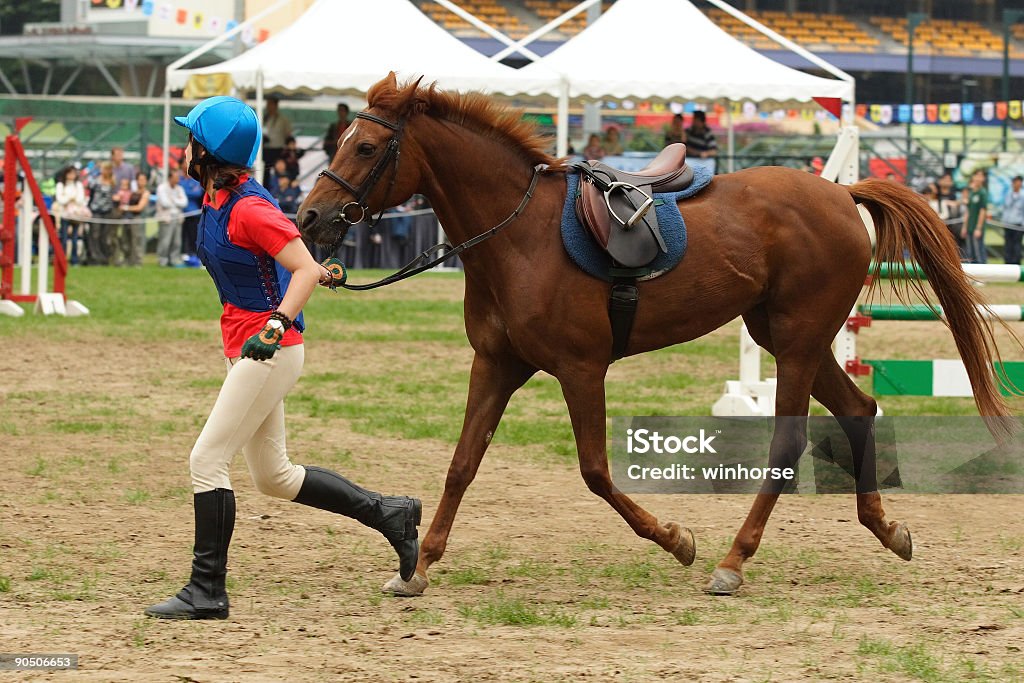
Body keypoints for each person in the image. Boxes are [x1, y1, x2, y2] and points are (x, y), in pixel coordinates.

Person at [144, 96, 421, 621]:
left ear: (206, 152)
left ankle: (207, 591)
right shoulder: (217, 198)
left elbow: (303, 269)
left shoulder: (248, 207)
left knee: (206, 461)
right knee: (275, 476)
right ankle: (391, 513)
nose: (184, 147)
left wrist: (277, 321)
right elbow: (298, 260)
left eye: (190, 140)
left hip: (268, 349)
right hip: (247, 346)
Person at [53, 166, 90, 266]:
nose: (71, 176)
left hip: (76, 215)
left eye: (73, 173)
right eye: (70, 173)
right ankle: (62, 260)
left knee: (75, 239)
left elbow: (80, 199)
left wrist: (69, 198)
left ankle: (74, 260)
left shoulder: (78, 185)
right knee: (64, 239)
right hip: (64, 215)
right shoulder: (60, 185)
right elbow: (60, 199)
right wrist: (70, 198)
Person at [156, 168, 187, 267]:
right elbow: (165, 203)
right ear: (170, 178)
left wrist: (173, 200)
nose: (178, 179)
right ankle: (163, 259)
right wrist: (177, 201)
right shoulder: (161, 188)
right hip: (166, 219)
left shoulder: (179, 188)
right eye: (176, 177)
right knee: (165, 240)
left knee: (177, 241)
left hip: (178, 218)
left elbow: (184, 203)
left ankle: (174, 259)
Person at [87, 161, 116, 265]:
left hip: (107, 211)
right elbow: (89, 185)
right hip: (96, 211)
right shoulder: (96, 181)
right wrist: (95, 169)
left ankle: (105, 257)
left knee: (105, 236)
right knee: (95, 234)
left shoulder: (112, 181)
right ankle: (94, 257)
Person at [122, 172, 152, 267]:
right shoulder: (133, 192)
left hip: (137, 218)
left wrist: (126, 208)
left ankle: (137, 261)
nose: (141, 182)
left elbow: (139, 207)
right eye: (139, 180)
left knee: (136, 240)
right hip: (128, 218)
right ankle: (128, 260)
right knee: (126, 239)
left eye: (143, 180)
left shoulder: (146, 193)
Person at [262, 94, 292, 187]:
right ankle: (266, 188)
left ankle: (279, 191)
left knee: (278, 171)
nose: (268, 106)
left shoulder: (283, 120)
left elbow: (288, 134)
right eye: (267, 104)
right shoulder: (265, 118)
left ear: (275, 105)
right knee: (266, 172)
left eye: (270, 104)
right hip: (266, 149)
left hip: (278, 149)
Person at [962, 169, 989, 264]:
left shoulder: (982, 193)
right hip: (969, 226)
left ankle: (983, 275)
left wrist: (978, 228)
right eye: (976, 175)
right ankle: (974, 276)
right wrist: (964, 227)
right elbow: (968, 211)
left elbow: (983, 211)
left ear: (983, 179)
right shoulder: (972, 192)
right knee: (970, 253)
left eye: (980, 176)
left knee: (979, 252)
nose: (978, 178)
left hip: (976, 228)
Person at [179, 170, 204, 259]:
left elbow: (197, 193)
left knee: (193, 235)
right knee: (182, 235)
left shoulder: (196, 181)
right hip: (181, 214)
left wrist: (184, 191)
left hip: (194, 213)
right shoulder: (180, 180)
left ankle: (193, 254)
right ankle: (184, 253)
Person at [1002, 175, 1024, 265]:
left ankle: (1016, 263)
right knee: (1008, 244)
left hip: (1018, 224)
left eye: (1019, 182)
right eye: (1015, 182)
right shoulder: (1008, 194)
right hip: (1008, 223)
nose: (1017, 184)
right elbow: (1005, 208)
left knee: (1017, 244)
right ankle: (1008, 262)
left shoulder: (1022, 196)